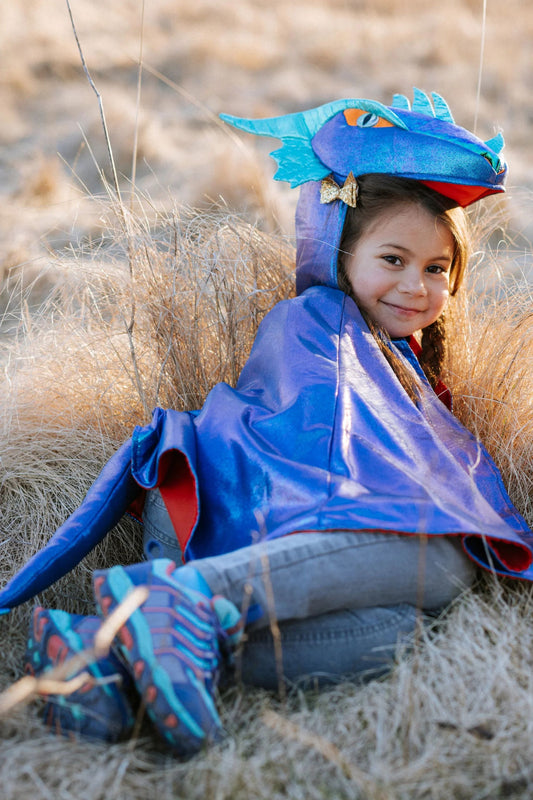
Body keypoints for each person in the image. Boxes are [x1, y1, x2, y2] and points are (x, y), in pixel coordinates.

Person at [3, 90, 533, 756]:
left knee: (396, 627)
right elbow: (323, 445)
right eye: (392, 260)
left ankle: (103, 668)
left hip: (261, 520)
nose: (415, 286)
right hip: (225, 508)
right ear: (337, 251)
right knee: (445, 561)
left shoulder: (387, 352)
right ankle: (186, 597)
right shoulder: (316, 323)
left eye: (435, 269)